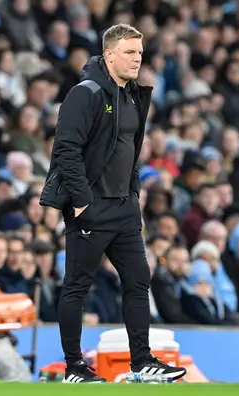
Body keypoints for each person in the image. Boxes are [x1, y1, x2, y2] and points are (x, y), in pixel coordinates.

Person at [40, 24, 186, 383]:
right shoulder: (85, 93)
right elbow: (65, 150)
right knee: (77, 285)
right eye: (129, 53)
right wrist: (82, 201)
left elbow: (130, 151)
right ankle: (74, 366)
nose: (137, 59)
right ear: (109, 55)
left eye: (140, 53)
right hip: (92, 207)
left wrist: (134, 192)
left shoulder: (134, 95)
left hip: (124, 207)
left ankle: (142, 362)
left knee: (138, 280)